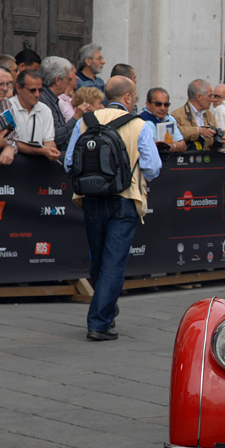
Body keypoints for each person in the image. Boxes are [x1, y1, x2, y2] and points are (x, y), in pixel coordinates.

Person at [64, 76, 161, 341]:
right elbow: (153, 168)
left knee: (98, 259)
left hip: (91, 199)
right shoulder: (140, 125)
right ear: (128, 97)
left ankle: (105, 305)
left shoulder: (86, 121)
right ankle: (99, 322)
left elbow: (69, 163)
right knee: (114, 262)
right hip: (124, 199)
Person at [10, 70, 60, 161]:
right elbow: (9, 142)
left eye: (40, 90)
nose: (37, 94)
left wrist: (51, 150)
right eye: (32, 90)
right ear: (18, 88)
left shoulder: (45, 110)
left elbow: (49, 141)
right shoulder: (7, 107)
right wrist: (42, 151)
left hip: (38, 164)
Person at [38, 55, 84, 151]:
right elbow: (56, 136)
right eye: (68, 79)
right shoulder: (43, 99)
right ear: (58, 80)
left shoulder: (51, 97)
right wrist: (76, 118)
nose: (69, 83)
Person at [171, 79, 218, 149]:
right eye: (210, 96)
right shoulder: (177, 115)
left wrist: (220, 140)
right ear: (199, 97)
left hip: (207, 158)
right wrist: (198, 131)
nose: (213, 100)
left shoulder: (209, 115)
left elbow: (212, 144)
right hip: (187, 158)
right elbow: (174, 134)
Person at [139, 87, 187, 152]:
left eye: (166, 105)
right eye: (158, 104)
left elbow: (183, 146)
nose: (162, 108)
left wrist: (167, 147)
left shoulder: (170, 118)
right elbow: (153, 148)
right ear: (148, 104)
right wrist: (174, 145)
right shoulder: (141, 121)